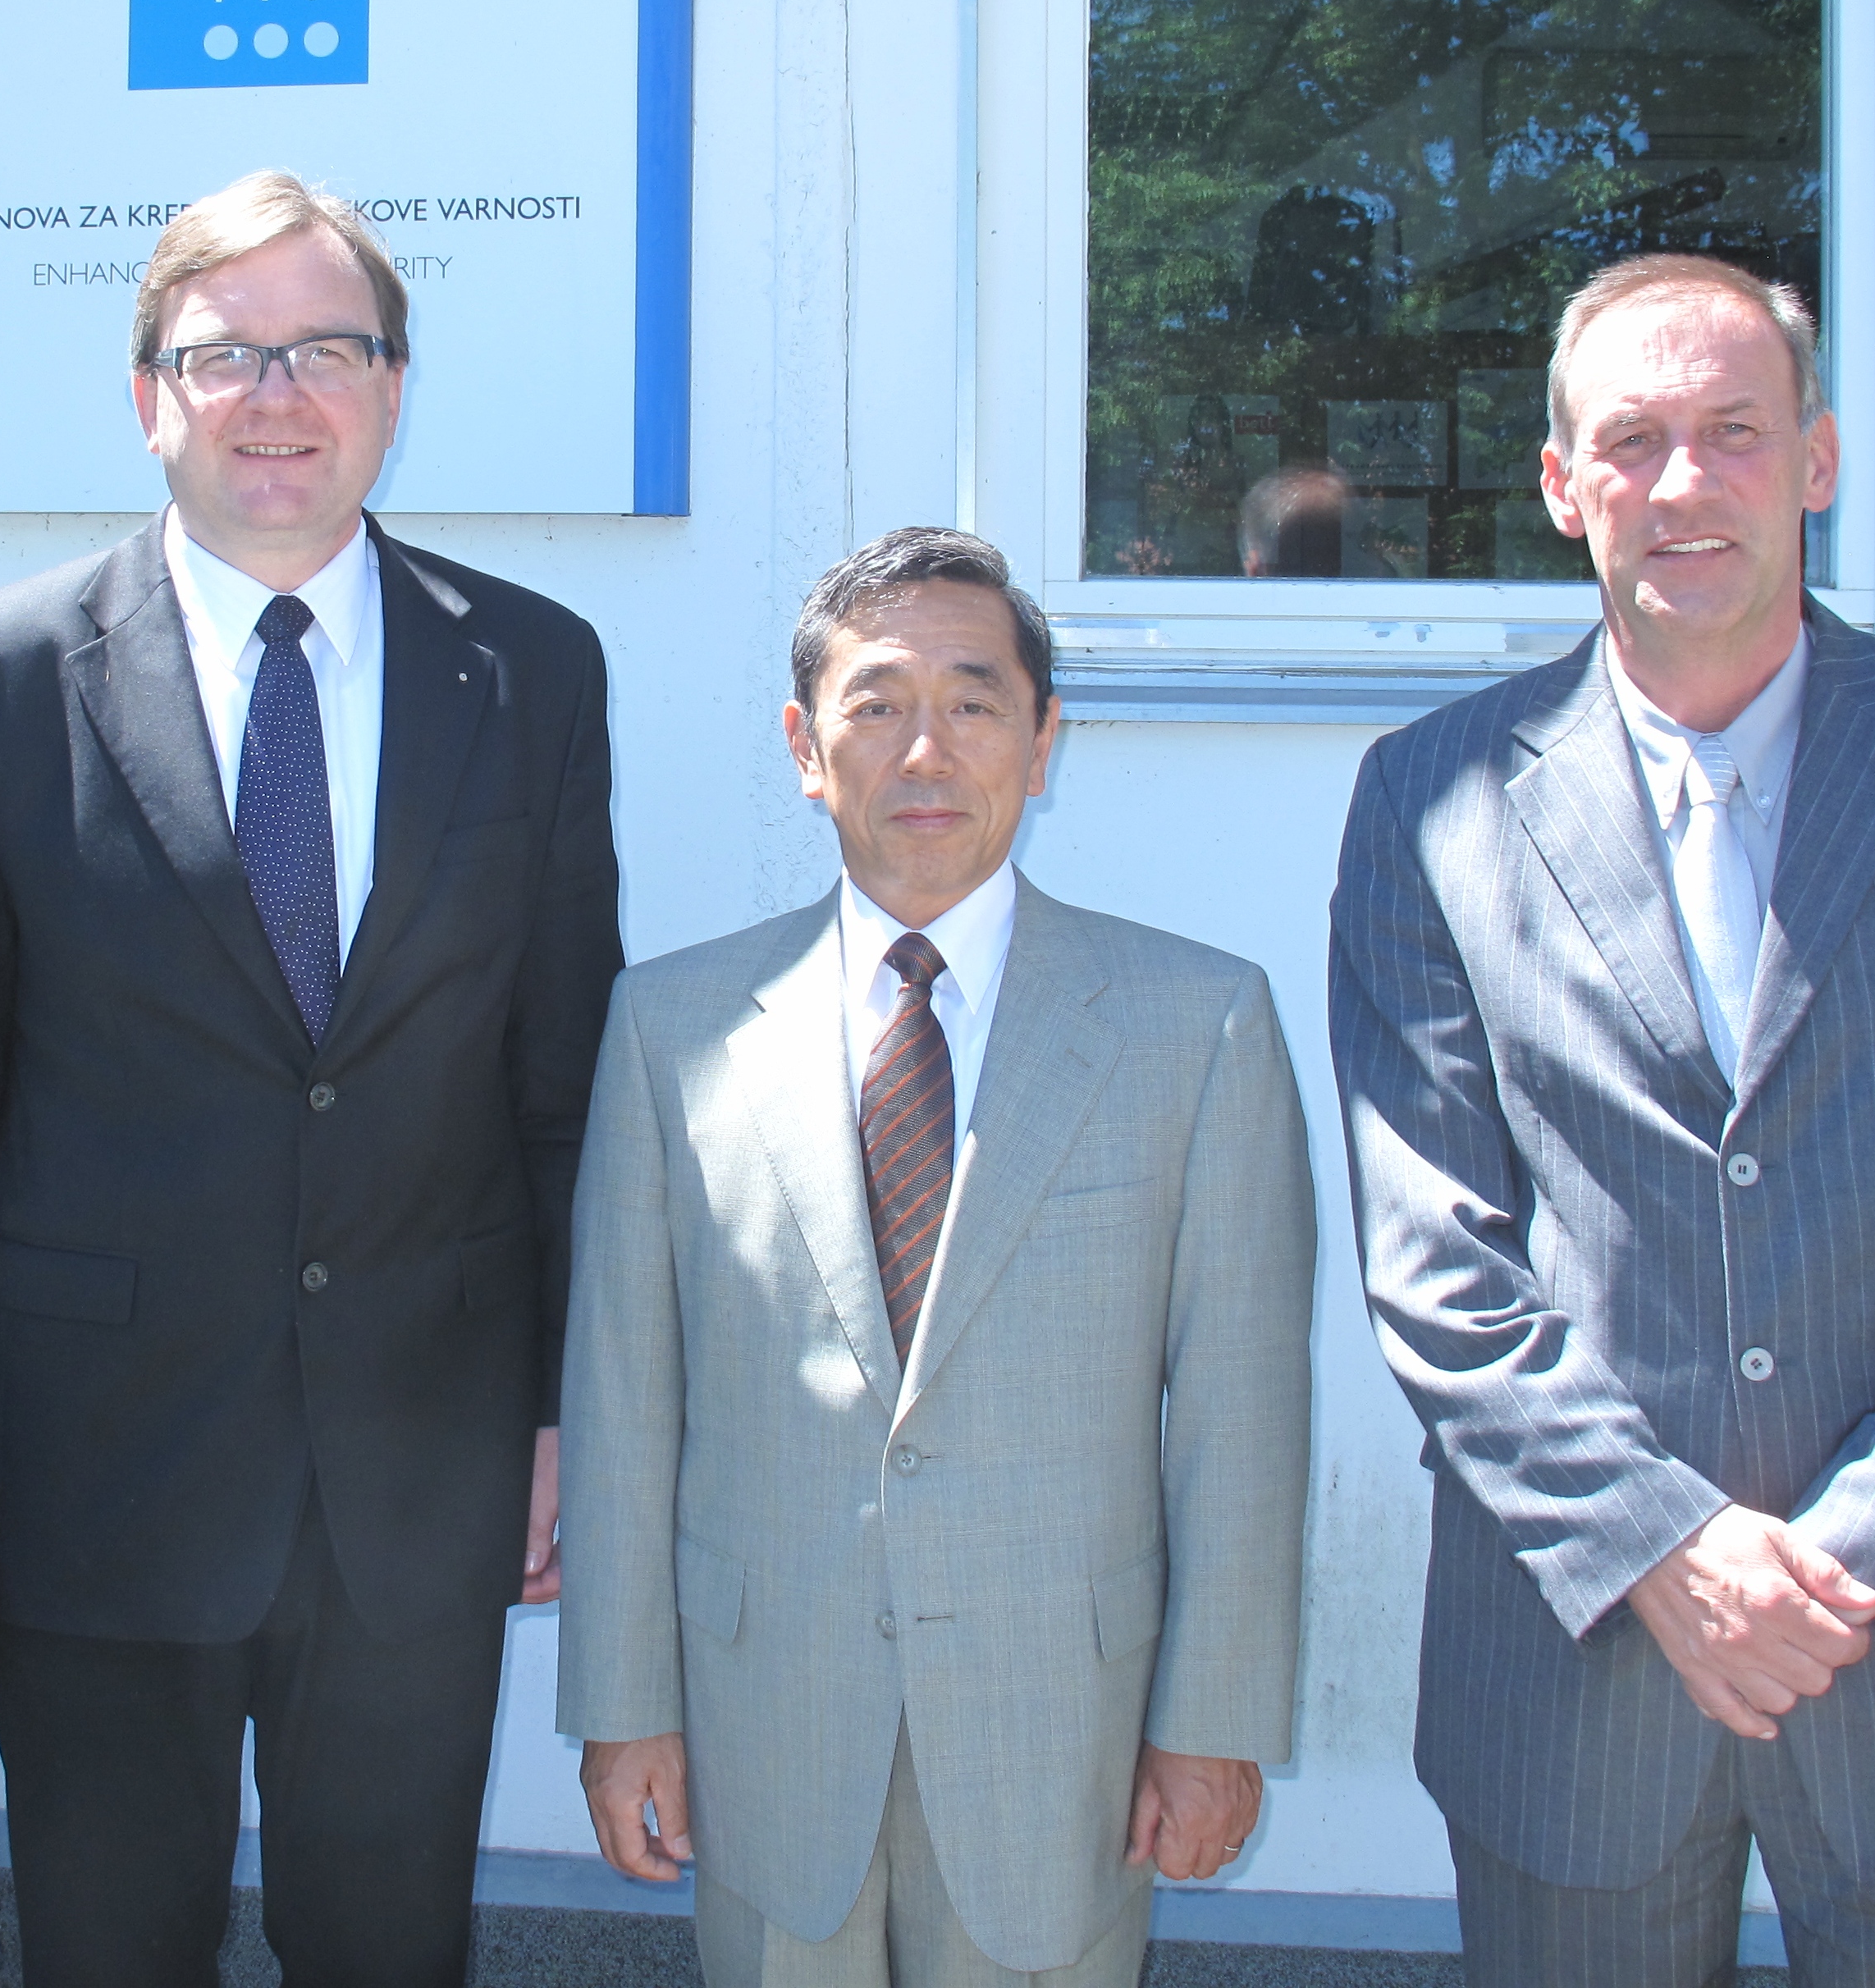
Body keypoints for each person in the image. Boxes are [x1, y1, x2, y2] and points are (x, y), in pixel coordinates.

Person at [1329, 253, 1875, 1987]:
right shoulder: (1428, 796)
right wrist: (1661, 1545)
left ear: (1816, 458)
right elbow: (1435, 1259)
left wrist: (1850, 1553)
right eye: (1630, 439)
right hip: (1577, 1657)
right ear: (1561, 486)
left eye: (1732, 429)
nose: (1683, 482)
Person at [0, 171, 623, 1988]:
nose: (279, 394)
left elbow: (563, 1089)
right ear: (148, 396)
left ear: (394, 389)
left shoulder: (530, 672)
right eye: (225, 353)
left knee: (390, 1954)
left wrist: (561, 1410)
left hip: (419, 1476)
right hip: (94, 1477)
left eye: (328, 348)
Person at [556, 526, 1317, 1988]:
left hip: (1066, 1737)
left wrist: (1212, 1721)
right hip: (765, 1718)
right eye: (877, 704)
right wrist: (623, 1703)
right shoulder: (671, 1026)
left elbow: (1240, 1413)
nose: (926, 750)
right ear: (804, 747)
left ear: (1042, 743)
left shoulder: (1196, 1024)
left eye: (973, 703)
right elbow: (623, 1398)